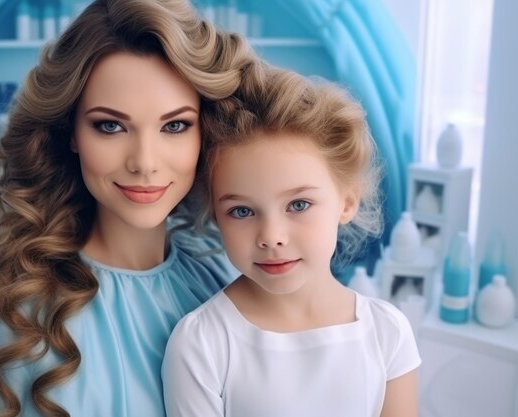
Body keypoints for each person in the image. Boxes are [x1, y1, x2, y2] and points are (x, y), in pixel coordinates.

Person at [0, 1, 262, 416]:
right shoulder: (16, 312)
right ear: (71, 133)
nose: (145, 161)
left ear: (205, 132)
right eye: (110, 126)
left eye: (175, 125)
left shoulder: (225, 278)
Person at [162, 67, 421, 417]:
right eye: (241, 211)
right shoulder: (202, 343)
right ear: (215, 215)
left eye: (298, 205)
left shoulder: (388, 333)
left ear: (346, 201)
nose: (271, 237)